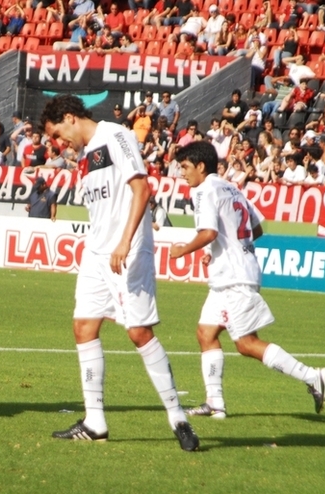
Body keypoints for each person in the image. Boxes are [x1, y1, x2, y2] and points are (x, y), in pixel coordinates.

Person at [39, 94, 199, 451]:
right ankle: (95, 421)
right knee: (83, 326)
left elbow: (142, 188)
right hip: (97, 253)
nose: (57, 143)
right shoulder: (84, 156)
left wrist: (125, 241)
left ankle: (178, 417)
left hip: (125, 251)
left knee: (139, 333)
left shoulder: (115, 135)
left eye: (57, 133)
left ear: (70, 117)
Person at [170, 141, 325, 419]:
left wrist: (183, 250)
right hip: (231, 273)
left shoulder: (205, 190)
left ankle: (312, 376)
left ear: (200, 166)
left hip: (234, 277)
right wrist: (226, 247)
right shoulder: (231, 187)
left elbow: (208, 232)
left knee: (245, 343)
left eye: (184, 167)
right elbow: (256, 227)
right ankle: (215, 403)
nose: (182, 173)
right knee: (205, 333)